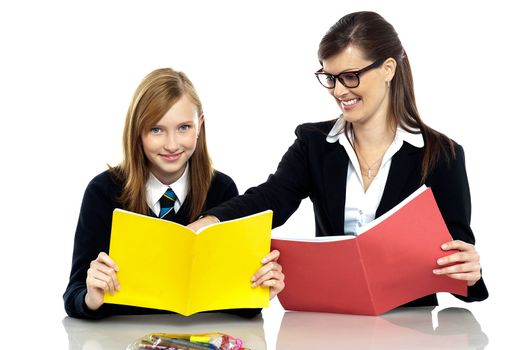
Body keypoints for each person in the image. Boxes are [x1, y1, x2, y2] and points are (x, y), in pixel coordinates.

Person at [189, 12, 488, 306]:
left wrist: (469, 273)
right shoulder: (314, 144)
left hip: (409, 327)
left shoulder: (442, 155)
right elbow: (271, 198)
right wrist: (210, 222)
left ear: (388, 69)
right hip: (331, 317)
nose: (338, 91)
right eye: (330, 78)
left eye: (350, 76)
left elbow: (456, 255)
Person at [63, 68, 284, 319]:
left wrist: (261, 288)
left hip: (199, 340)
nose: (171, 144)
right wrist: (91, 297)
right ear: (137, 131)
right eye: (156, 130)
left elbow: (238, 305)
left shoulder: (221, 189)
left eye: (183, 128)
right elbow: (74, 295)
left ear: (199, 126)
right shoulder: (102, 192)